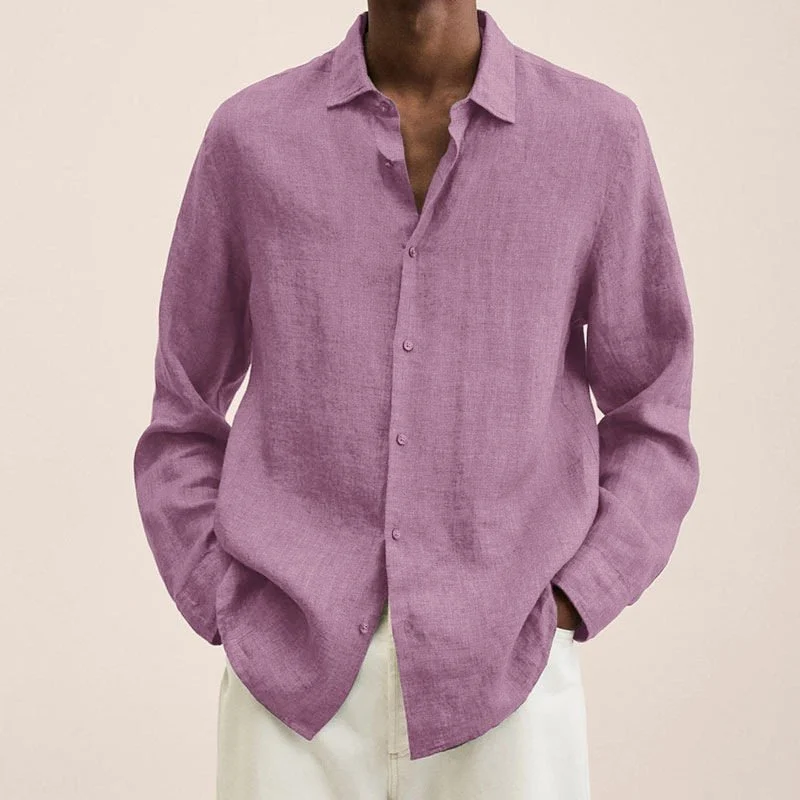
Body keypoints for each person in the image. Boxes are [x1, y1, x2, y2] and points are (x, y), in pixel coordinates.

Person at [133, 3, 700, 798]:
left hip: (508, 679)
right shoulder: (250, 138)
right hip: (288, 685)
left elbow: (653, 410)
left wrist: (577, 597)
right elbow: (183, 408)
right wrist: (223, 601)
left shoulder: (597, 137)